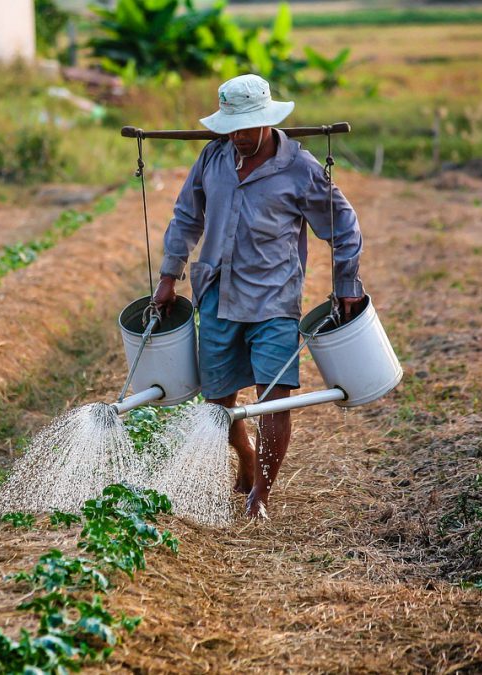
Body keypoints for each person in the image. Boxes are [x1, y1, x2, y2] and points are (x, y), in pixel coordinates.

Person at [152, 74, 364, 520]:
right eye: (232, 128)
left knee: (275, 397)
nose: (240, 137)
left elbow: (343, 227)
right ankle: (245, 456)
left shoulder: (300, 169)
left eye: (247, 128)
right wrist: (169, 275)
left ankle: (259, 498)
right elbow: (186, 217)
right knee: (218, 402)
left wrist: (346, 284)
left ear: (268, 122)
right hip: (216, 294)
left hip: (274, 300)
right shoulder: (212, 158)